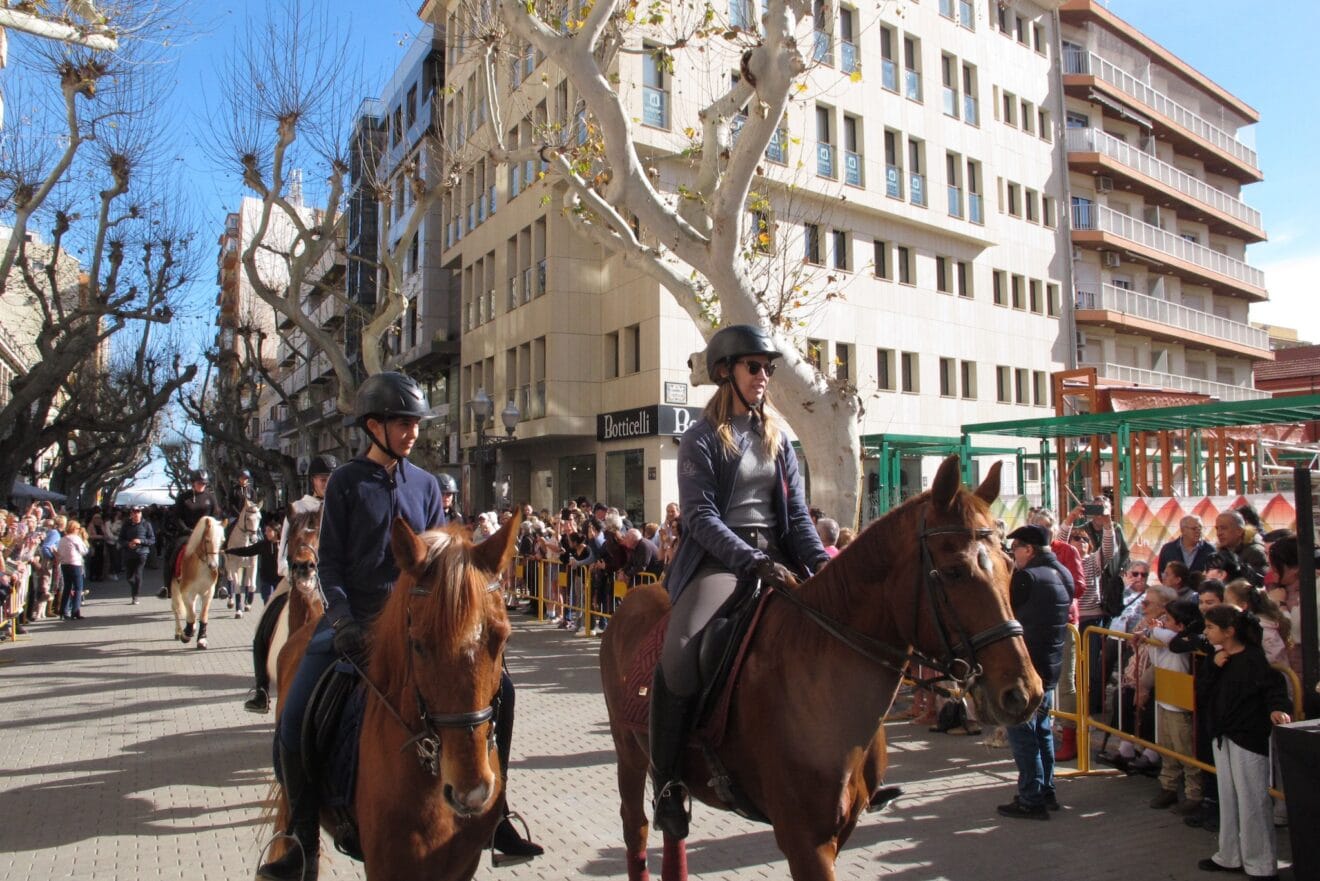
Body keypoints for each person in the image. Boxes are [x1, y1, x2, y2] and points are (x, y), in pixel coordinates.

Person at [257, 373, 538, 881]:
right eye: (403, 422)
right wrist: (339, 618)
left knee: (506, 692)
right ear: (373, 425)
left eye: (415, 423)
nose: (412, 432)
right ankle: (299, 834)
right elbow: (331, 564)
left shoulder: (427, 484)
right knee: (296, 713)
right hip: (354, 620)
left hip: (418, 622)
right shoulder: (345, 482)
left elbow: (441, 557)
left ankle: (497, 813)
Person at [652, 324, 830, 840]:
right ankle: (666, 783)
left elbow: (797, 517)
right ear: (726, 371)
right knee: (680, 653)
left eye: (769, 369)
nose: (764, 377)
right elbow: (702, 518)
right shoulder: (700, 439)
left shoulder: (778, 439)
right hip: (720, 562)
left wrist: (824, 568)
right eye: (755, 367)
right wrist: (751, 561)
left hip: (776, 555)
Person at [1196, 604, 1291, 879]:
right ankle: (1230, 854)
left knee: (1253, 800)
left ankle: (1261, 863)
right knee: (1228, 797)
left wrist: (1276, 707)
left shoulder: (1252, 659)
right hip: (1222, 735)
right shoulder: (1216, 657)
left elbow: (1273, 688)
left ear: (1229, 632)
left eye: (1211, 627)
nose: (1207, 632)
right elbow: (1203, 691)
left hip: (1247, 736)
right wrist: (1213, 668)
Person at [997, 524, 1072, 821]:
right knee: (1042, 731)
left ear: (1028, 549)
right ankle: (1046, 790)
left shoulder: (1027, 577)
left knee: (1024, 734)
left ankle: (1031, 797)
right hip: (1050, 663)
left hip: (1026, 667)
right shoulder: (1062, 573)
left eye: (1015, 549)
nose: (1013, 554)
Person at [158, 470, 220, 599]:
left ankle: (220, 586)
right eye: (199, 483)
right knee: (172, 551)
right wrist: (185, 529)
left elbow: (215, 514)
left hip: (206, 534)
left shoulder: (210, 497)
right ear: (193, 483)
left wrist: (209, 529)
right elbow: (177, 517)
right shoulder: (183, 497)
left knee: (217, 552)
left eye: (204, 483)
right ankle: (167, 586)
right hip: (187, 532)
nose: (202, 485)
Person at [118, 506, 155, 604]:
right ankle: (134, 589)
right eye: (134, 512)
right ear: (131, 514)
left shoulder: (146, 524)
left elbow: (152, 540)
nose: (136, 514)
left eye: (138, 512)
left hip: (142, 553)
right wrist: (128, 544)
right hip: (129, 553)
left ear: (141, 514)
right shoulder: (126, 524)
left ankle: (135, 596)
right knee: (129, 577)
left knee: (138, 574)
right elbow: (120, 539)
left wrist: (141, 541)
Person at [57, 519, 89, 620]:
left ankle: (63, 610)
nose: (79, 530)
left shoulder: (62, 539)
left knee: (67, 587)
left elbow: (59, 552)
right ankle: (75, 611)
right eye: (78, 528)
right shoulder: (76, 538)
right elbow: (84, 551)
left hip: (64, 564)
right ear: (74, 529)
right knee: (78, 588)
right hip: (75, 564)